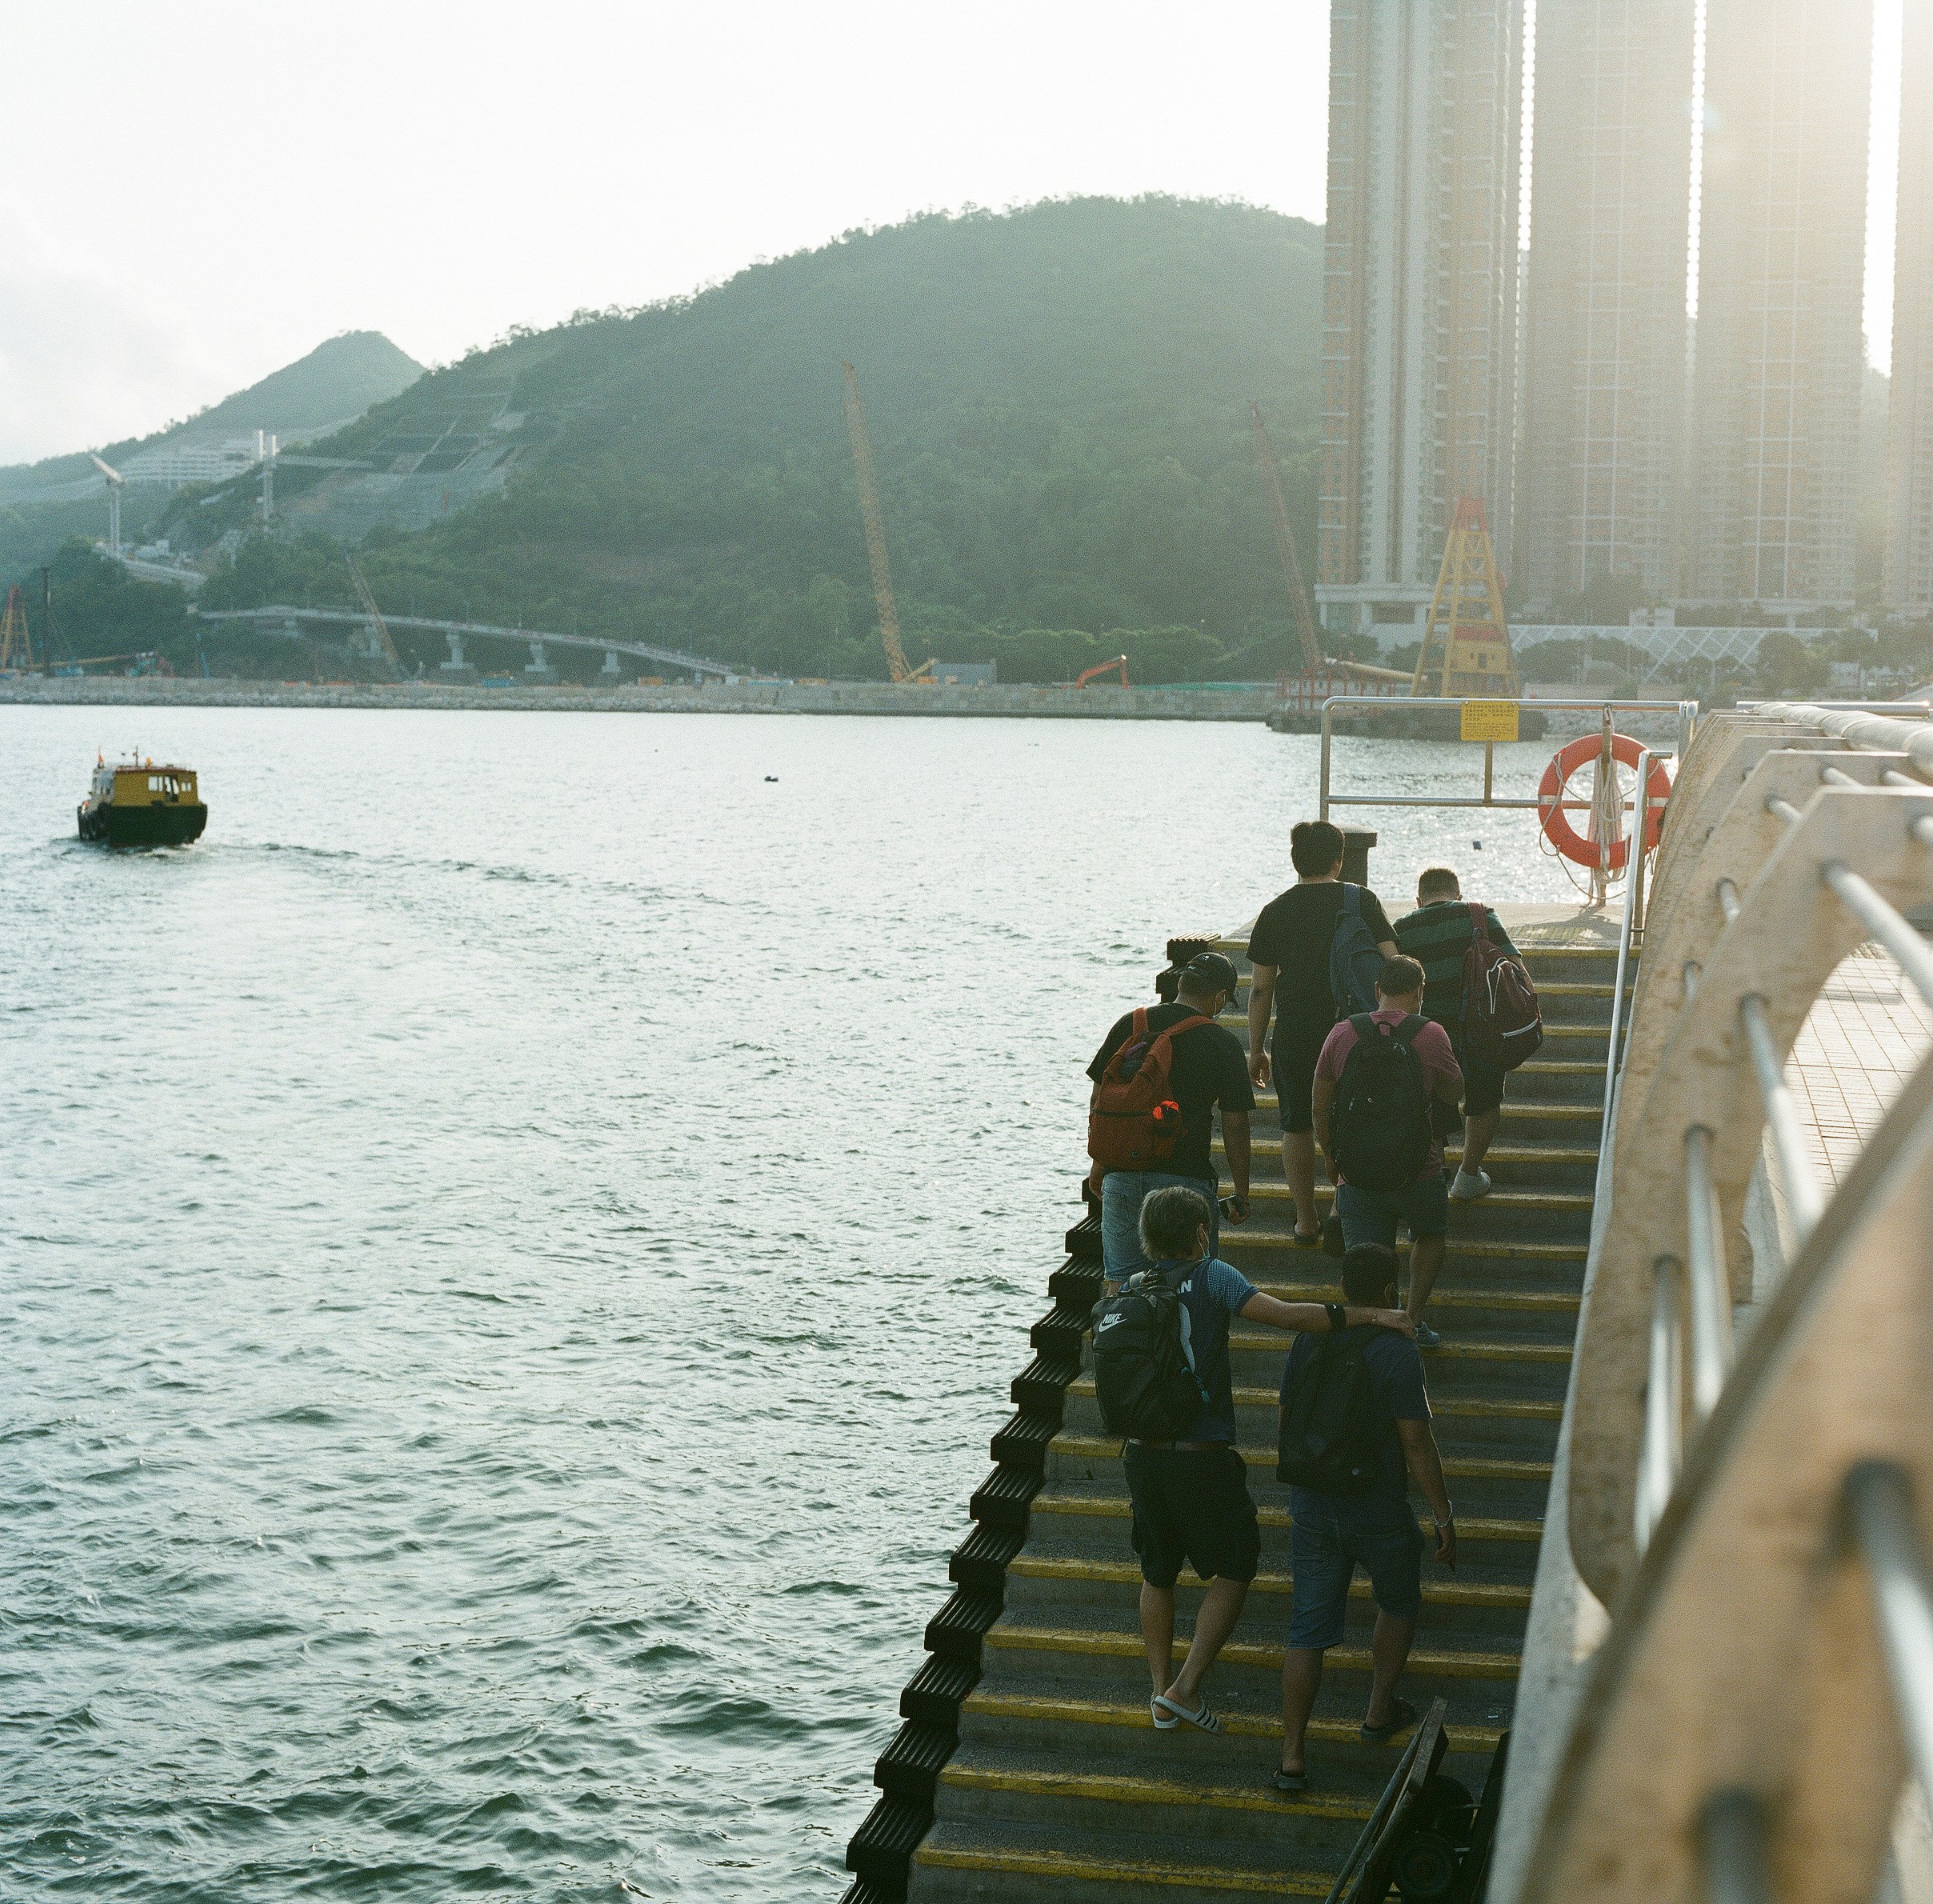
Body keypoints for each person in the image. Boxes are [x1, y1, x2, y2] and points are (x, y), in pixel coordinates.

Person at [1121, 1186, 1415, 1733]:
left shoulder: (1135, 1285)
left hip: (1141, 1456)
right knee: (1235, 1566)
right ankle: (1186, 1688)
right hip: (1199, 1456)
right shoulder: (1212, 1275)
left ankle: (1159, 1692)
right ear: (1200, 1232)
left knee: (1156, 1572)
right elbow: (1286, 1317)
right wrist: (1373, 1314)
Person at [1275, 1242, 1456, 1790]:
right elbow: (1417, 1444)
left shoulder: (1310, 1337)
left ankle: (1292, 1758)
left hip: (1312, 1502)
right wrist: (1443, 1517)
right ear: (1387, 1291)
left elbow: (1285, 1417)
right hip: (1376, 1506)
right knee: (1399, 1600)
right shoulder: (1396, 1350)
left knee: (1307, 1629)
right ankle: (1378, 1712)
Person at [1245, 821, 1398, 1244]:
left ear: (1295, 860)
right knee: (1349, 1117)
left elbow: (1260, 990)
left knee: (1295, 1125)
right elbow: (1394, 961)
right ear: (1339, 860)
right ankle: (1339, 1208)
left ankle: (1305, 1220)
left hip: (1294, 1033)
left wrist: (1256, 1048)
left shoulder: (1275, 911)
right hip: (1352, 1030)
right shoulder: (1361, 900)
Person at [1311, 955, 1463, 1347]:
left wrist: (1330, 1154)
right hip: (1420, 1166)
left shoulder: (1343, 1033)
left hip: (1356, 1169)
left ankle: (1378, 1322)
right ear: (1419, 992)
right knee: (1429, 1235)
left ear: (1377, 990)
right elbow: (1454, 1090)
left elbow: (1320, 1102)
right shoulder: (1430, 1034)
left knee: (1369, 1253)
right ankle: (1411, 1317)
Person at [1088, 950, 1255, 1294]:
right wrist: (1241, 1190)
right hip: (1185, 1184)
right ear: (1220, 997)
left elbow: (1100, 1101)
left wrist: (1099, 1163)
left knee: (1122, 1285)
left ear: (1180, 983)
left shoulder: (1130, 1024)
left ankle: (1121, 1342)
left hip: (1123, 1177)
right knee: (1193, 1287)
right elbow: (1235, 1124)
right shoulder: (1221, 1042)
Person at [1395, 867, 1518, 1202]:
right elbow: (1515, 969)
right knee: (1484, 1100)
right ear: (1458, 894)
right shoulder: (1480, 915)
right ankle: (1467, 1175)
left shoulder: (1402, 929)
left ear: (1419, 900)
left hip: (1424, 1039)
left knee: (1428, 1108)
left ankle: (1429, 1177)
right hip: (1481, 1034)